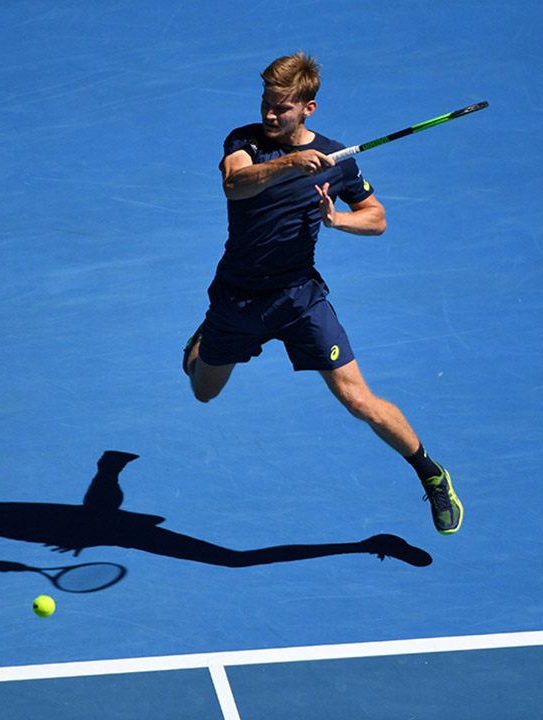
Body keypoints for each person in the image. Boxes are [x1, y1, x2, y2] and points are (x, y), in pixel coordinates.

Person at [182, 52, 462, 535]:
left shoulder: (337, 160)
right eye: (266, 103)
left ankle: (431, 474)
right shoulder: (245, 141)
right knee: (204, 392)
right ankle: (203, 340)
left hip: (298, 300)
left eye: (282, 107)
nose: (270, 115)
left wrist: (338, 220)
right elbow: (234, 185)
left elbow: (377, 218)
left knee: (358, 400)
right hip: (237, 298)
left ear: (308, 108)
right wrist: (289, 164)